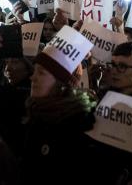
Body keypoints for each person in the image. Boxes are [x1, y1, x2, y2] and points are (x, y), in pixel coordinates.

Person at [19, 29, 98, 185]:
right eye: (34, 71)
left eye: (41, 73)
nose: (32, 77)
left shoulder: (81, 123)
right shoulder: (36, 111)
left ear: (61, 84)